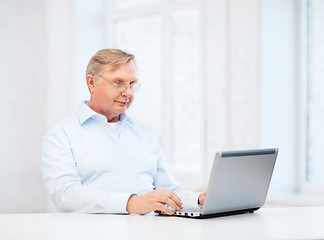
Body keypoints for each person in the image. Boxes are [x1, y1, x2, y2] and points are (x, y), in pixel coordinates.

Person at [41, 48, 206, 215]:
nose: (127, 92)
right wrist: (129, 203)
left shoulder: (145, 137)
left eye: (132, 84)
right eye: (118, 82)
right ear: (92, 83)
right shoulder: (61, 135)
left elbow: (168, 191)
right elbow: (65, 195)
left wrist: (198, 200)